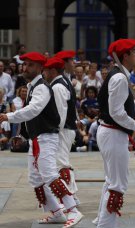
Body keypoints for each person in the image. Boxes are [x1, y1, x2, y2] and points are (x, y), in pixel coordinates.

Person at [0, 52, 83, 228]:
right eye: (24, 64)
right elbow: (31, 114)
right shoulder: (33, 86)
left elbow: (33, 109)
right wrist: (23, 134)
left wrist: (8, 116)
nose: (24, 68)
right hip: (38, 137)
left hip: (47, 137)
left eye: (29, 65)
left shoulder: (42, 87)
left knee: (50, 174)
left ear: (39, 67)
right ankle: (56, 211)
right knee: (35, 178)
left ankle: (73, 209)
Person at [93, 39, 135, 228]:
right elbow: (116, 112)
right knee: (118, 183)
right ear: (125, 55)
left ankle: (102, 222)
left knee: (112, 180)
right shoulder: (119, 78)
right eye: (134, 52)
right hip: (112, 132)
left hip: (111, 132)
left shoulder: (119, 76)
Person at [43, 57, 81, 205]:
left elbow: (60, 112)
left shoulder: (58, 86)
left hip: (62, 130)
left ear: (52, 71)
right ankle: (72, 196)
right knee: (62, 163)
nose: (44, 73)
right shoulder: (63, 82)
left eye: (45, 70)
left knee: (61, 164)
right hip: (66, 129)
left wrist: (55, 131)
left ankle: (67, 198)